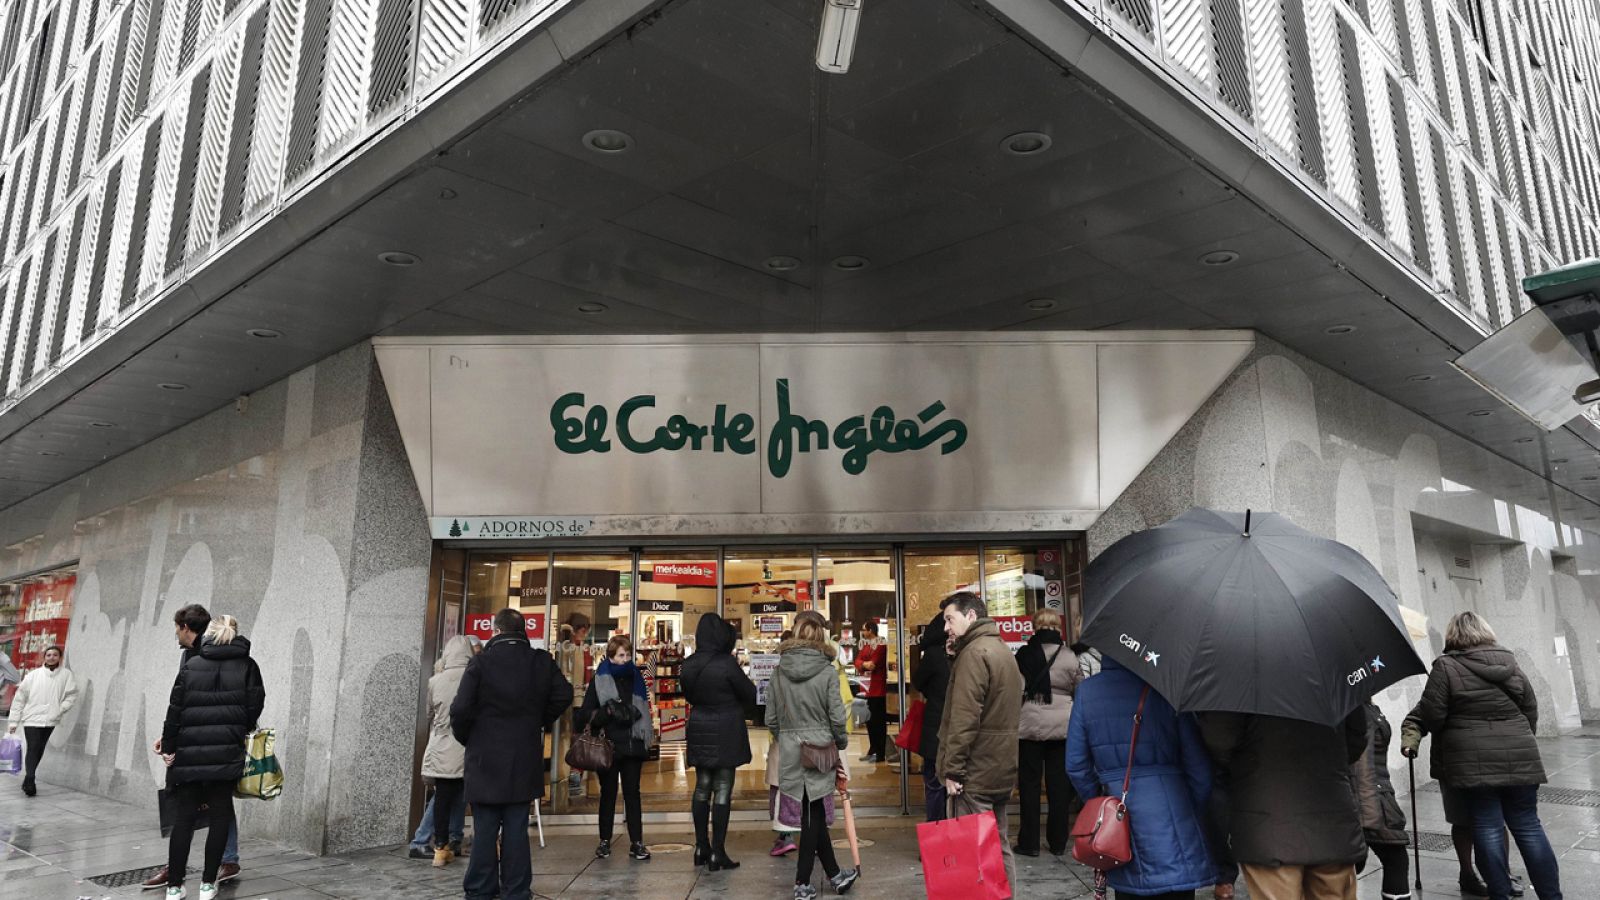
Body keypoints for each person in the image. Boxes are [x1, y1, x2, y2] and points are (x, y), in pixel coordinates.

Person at [1401, 612, 1559, 900]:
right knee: (1528, 827)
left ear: (1453, 636)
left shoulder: (1446, 667)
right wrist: (1516, 743)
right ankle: (1552, 895)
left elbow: (1434, 716)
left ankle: (1499, 893)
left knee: (1487, 826)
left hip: (1472, 764)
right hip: (1520, 756)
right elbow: (1531, 709)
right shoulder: (1510, 664)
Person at [1067, 657, 1217, 899]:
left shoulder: (1087, 692)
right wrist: (1191, 808)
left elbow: (1076, 765)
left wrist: (1101, 807)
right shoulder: (1167, 687)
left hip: (1120, 817)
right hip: (1175, 807)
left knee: (1131, 889)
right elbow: (1199, 769)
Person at [451, 608, 573, 900]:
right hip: (523, 756)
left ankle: (481, 888)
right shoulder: (540, 661)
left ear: (496, 631)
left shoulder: (481, 663)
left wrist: (469, 737)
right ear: (523, 632)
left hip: (484, 758)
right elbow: (564, 694)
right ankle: (516, 889)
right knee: (517, 828)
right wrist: (538, 720)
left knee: (484, 828)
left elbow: (460, 709)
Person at [1198, 708, 1367, 900]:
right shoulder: (1336, 679)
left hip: (1267, 817)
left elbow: (1219, 739)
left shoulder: (1238, 681)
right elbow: (1356, 739)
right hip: (1332, 817)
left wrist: (1246, 766)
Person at [159, 615, 265, 900]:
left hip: (189, 754)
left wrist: (169, 747)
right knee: (220, 815)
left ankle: (174, 887)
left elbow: (174, 711)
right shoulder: (248, 666)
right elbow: (255, 705)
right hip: (226, 753)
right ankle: (207, 884)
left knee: (184, 819)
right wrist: (237, 729)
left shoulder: (192, 665)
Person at [143, 606, 243, 890]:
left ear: (187, 627)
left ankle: (221, 861)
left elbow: (244, 701)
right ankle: (186, 867)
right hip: (197, 739)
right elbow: (180, 701)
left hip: (211, 741)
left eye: (177, 628)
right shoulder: (188, 655)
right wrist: (169, 735)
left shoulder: (219, 654)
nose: (175, 634)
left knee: (210, 801)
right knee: (207, 802)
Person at [769, 610, 859, 899]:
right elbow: (836, 716)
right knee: (813, 812)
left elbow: (771, 717)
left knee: (814, 810)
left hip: (791, 748)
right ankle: (802, 882)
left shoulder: (779, 671)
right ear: (821, 637)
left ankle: (834, 874)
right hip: (820, 748)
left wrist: (786, 736)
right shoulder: (827, 671)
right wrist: (840, 742)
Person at [936, 591, 1023, 890]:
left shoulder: (974, 655)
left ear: (971, 616)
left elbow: (964, 718)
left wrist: (953, 770)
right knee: (998, 845)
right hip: (999, 766)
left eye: (950, 619)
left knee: (973, 852)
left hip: (974, 771)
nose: (946, 627)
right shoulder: (999, 649)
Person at [682, 612, 756, 870]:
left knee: (702, 786)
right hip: (726, 727)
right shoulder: (727, 664)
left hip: (700, 724)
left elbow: (688, 694)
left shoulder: (689, 663)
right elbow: (750, 693)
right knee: (723, 787)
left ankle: (701, 846)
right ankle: (718, 851)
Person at [575, 633, 654, 862]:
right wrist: (606, 713)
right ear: (610, 656)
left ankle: (637, 842)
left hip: (632, 744)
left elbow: (644, 708)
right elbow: (583, 716)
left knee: (633, 794)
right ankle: (604, 841)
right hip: (608, 746)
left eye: (628, 655)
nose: (625, 659)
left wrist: (632, 713)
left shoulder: (636, 677)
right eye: (621, 655)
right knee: (607, 794)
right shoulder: (600, 679)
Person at [1014, 608, 1079, 857]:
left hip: (1030, 724)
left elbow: (1018, 687)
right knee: (1058, 787)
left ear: (1035, 627)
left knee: (1029, 785)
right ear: (1057, 627)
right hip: (1062, 726)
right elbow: (1079, 686)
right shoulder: (1069, 655)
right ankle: (1058, 842)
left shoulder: (1025, 654)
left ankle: (1029, 842)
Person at [421, 636, 474, 867]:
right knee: (468, 796)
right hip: (469, 745)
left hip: (442, 745)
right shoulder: (475, 677)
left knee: (442, 798)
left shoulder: (435, 680)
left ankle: (440, 849)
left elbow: (429, 713)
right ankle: (460, 840)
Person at [1351, 701, 1411, 900]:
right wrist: (1368, 818)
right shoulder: (1356, 708)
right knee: (1394, 858)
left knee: (1354, 864)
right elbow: (1362, 767)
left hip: (1374, 796)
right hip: (1371, 799)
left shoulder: (1364, 703)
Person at [9, 645, 77, 797]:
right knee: (33, 747)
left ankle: (28, 778)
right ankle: (30, 779)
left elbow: (72, 695)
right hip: (32, 718)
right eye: (48, 655)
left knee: (39, 749)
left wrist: (60, 709)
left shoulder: (66, 675)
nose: (51, 657)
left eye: (55, 655)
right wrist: (13, 722)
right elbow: (19, 699)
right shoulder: (33, 675)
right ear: (44, 658)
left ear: (60, 658)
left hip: (50, 719)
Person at [911, 612, 950, 822]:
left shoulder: (934, 655)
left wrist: (933, 693)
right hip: (962, 728)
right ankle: (959, 837)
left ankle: (937, 836)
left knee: (934, 783)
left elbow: (919, 681)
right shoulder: (968, 651)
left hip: (935, 725)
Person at [768, 629, 799, 856]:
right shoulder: (819, 670)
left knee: (779, 786)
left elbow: (770, 717)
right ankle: (813, 835)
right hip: (810, 742)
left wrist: (779, 735)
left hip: (784, 739)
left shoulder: (777, 675)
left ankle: (784, 836)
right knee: (809, 788)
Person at [558, 615, 592, 798]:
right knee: (568, 736)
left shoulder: (584, 649)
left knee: (577, 735)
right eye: (581, 629)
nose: (584, 633)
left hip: (580, 700)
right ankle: (570, 770)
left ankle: (575, 770)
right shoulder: (567, 649)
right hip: (568, 699)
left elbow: (587, 674)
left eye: (585, 630)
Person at [854, 621, 887, 763]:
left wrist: (863, 664)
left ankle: (880, 752)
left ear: (871, 630)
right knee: (869, 721)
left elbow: (873, 664)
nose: (862, 632)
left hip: (877, 690)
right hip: (866, 688)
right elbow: (857, 660)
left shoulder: (881, 644)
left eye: (864, 629)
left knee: (878, 722)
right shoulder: (866, 645)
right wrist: (863, 664)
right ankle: (872, 749)